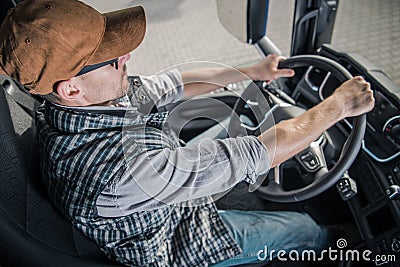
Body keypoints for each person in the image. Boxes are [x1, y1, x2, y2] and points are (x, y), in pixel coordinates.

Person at [0, 0, 375, 266]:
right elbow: (259, 153)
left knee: (234, 132)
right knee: (303, 227)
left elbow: (170, 83)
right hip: (177, 242)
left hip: (158, 195)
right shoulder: (124, 170)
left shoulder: (72, 104)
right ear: (71, 88)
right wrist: (339, 106)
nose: (126, 57)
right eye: (113, 58)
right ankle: (338, 245)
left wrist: (251, 72)